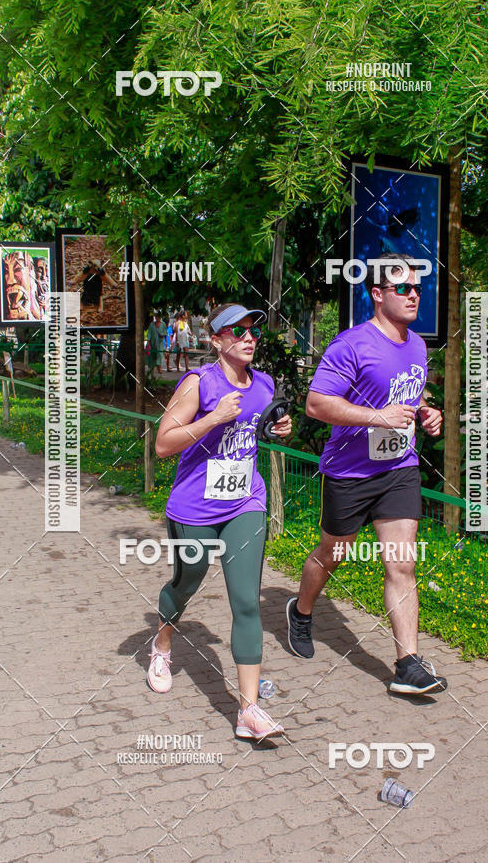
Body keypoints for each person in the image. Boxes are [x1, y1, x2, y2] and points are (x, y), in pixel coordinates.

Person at [286, 255, 448, 695]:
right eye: (404, 289)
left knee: (402, 562)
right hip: (350, 472)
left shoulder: (417, 345)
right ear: (377, 295)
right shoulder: (351, 345)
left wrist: (427, 414)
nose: (414, 294)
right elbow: (316, 405)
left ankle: (407, 664)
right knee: (331, 553)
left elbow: (408, 399)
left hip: (399, 468)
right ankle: (300, 612)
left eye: (417, 288)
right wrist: (377, 417)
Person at [150, 303, 292, 740]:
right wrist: (212, 418)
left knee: (246, 601)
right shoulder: (199, 384)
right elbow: (162, 443)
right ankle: (162, 642)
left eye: (252, 330)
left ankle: (248, 711)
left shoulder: (264, 384)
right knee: (187, 581)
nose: (249, 337)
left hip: (244, 504)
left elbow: (258, 429)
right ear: (216, 340)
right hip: (194, 508)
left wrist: (279, 429)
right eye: (237, 331)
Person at [145, 314, 160, 380]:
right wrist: (148, 344)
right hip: (151, 346)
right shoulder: (152, 325)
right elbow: (149, 335)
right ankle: (151, 375)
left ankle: (153, 374)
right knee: (151, 361)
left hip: (159, 346)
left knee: (156, 360)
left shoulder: (162, 325)